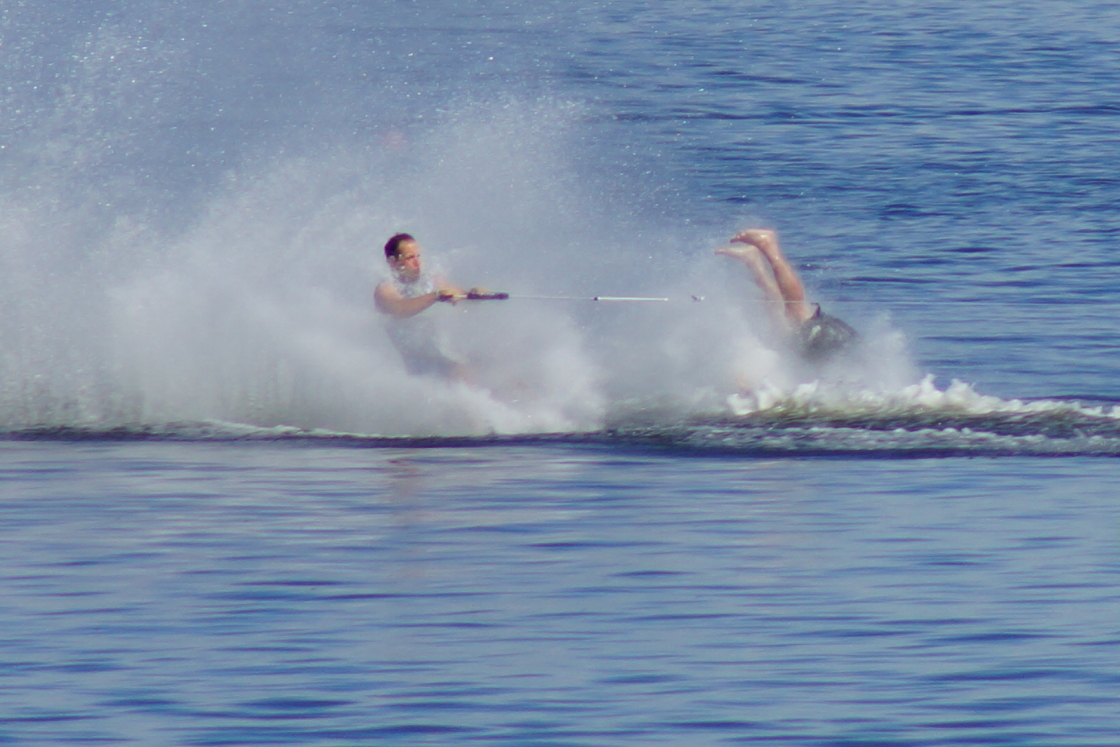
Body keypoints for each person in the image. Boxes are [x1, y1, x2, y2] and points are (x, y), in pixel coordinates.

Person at [716, 228, 856, 363]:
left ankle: (754, 263)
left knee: (782, 332)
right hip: (834, 342)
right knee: (798, 314)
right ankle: (768, 246)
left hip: (835, 349)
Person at [374, 233, 477, 380]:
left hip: (440, 353)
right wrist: (435, 296)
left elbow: (458, 294)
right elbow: (400, 310)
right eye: (410, 258)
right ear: (393, 262)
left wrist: (474, 295)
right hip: (416, 363)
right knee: (461, 371)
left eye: (418, 256)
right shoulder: (385, 289)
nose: (417, 263)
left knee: (492, 365)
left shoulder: (430, 280)